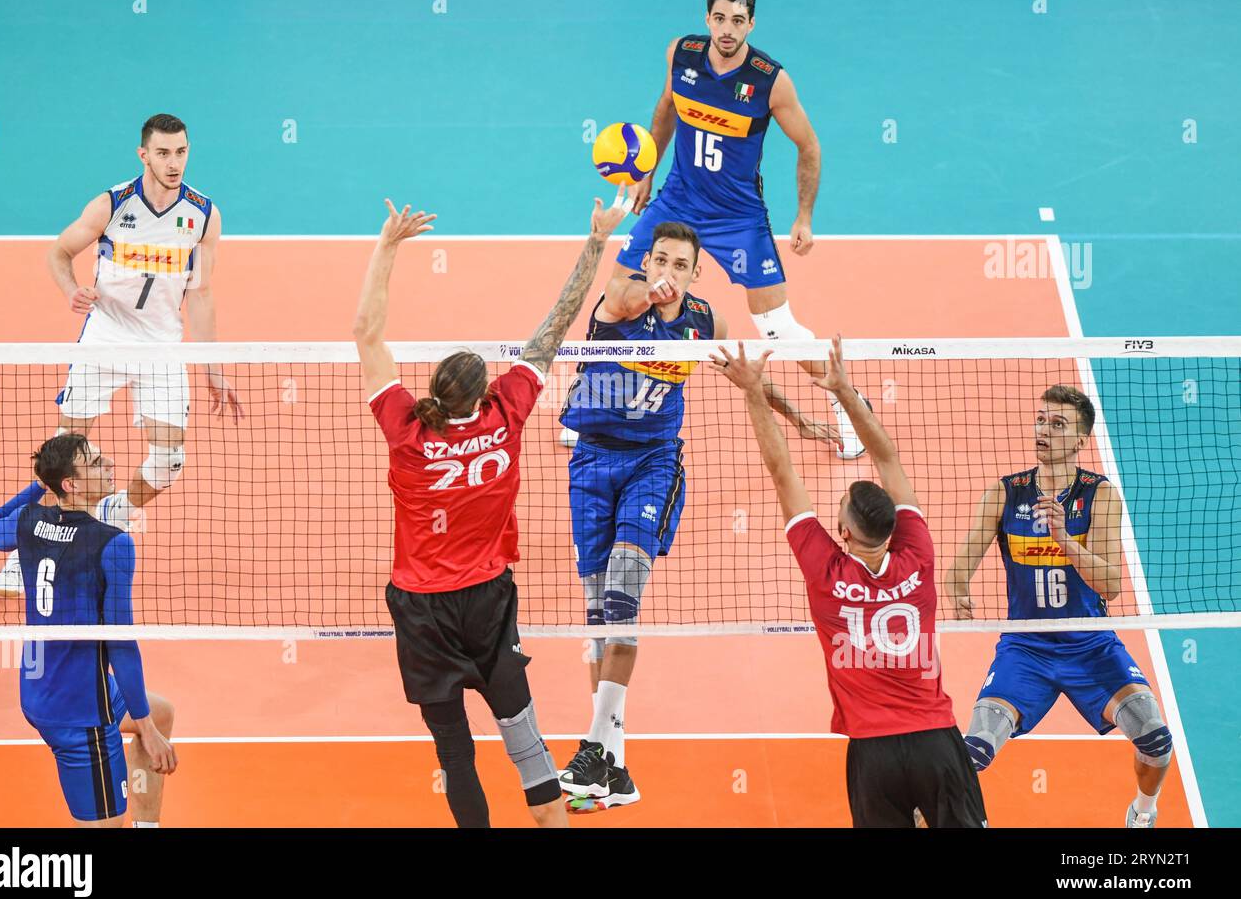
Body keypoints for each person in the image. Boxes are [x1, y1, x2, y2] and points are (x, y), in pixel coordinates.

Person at [354, 189, 631, 827]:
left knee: (455, 752)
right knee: (528, 745)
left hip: (421, 609)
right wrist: (595, 241)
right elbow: (557, 325)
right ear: (482, 392)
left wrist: (387, 246)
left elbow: (366, 332)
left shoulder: (407, 430)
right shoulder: (507, 413)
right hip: (488, 603)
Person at [556, 220, 839, 811]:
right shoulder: (622, 297)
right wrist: (647, 292)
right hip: (591, 463)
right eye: (660, 259)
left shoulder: (706, 321)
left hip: (653, 466)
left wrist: (793, 417)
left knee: (621, 607)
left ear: (695, 272)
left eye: (680, 265)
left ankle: (591, 748)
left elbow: (744, 373)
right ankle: (616, 766)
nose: (667, 271)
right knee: (595, 625)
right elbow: (622, 296)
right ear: (648, 259)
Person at [571, 0, 868, 457]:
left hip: (738, 217)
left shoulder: (771, 80)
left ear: (751, 24)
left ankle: (848, 405)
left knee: (779, 329)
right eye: (719, 19)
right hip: (678, 200)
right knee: (618, 293)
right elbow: (666, 107)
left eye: (738, 21)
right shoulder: (681, 54)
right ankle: (590, 398)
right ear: (707, 18)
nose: (727, 29)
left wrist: (804, 217)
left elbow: (808, 145)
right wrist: (646, 170)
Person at [717, 336, 987, 827]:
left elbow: (783, 473)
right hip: (936, 743)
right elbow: (888, 459)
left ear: (842, 533)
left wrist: (753, 391)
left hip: (873, 754)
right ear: (894, 527)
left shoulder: (825, 572)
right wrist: (842, 390)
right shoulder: (918, 557)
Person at [0, 112, 242, 596]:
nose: (174, 163)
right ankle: (29, 552)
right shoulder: (112, 204)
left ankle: (114, 513)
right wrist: (71, 290)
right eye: (164, 153)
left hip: (162, 347)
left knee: (170, 460)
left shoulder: (204, 215)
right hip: (105, 337)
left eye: (182, 152)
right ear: (143, 154)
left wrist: (214, 367)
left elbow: (202, 294)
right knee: (63, 454)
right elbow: (58, 253)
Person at [945, 385, 1173, 828]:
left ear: (1080, 439)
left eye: (1058, 424)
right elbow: (958, 567)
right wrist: (958, 592)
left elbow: (1110, 586)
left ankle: (1142, 812)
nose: (1043, 430)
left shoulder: (1099, 495)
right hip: (1026, 650)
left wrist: (1065, 540)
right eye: (1041, 419)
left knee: (1156, 740)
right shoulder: (1005, 493)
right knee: (970, 753)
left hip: (1091, 647)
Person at [0, 433, 177, 826]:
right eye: (95, 463)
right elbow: (121, 646)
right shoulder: (113, 544)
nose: (109, 465)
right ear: (71, 484)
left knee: (162, 712)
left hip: (43, 686)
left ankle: (146, 825)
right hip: (80, 712)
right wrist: (145, 730)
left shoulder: (29, 522)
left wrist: (40, 485)